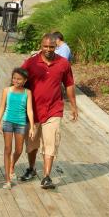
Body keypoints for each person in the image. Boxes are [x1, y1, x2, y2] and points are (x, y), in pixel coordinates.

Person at [19, 33, 78, 189]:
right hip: (33, 111)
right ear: (41, 46)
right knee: (32, 143)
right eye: (45, 46)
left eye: (51, 47)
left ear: (56, 46)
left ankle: (46, 176)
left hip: (54, 109)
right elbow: (18, 80)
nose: (48, 49)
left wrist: (73, 105)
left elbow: (69, 84)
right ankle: (31, 168)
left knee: (51, 142)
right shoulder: (31, 63)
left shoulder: (63, 63)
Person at [0, 68, 34, 189]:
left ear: (25, 80)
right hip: (8, 121)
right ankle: (7, 180)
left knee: (18, 150)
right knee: (7, 149)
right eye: (14, 78)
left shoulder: (27, 92)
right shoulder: (7, 90)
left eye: (19, 79)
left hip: (21, 123)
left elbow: (29, 110)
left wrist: (32, 127)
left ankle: (12, 165)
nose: (16, 81)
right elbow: (2, 106)